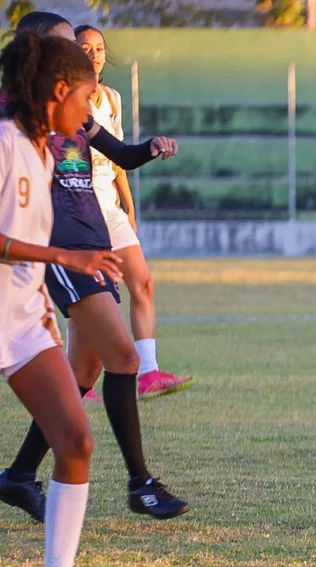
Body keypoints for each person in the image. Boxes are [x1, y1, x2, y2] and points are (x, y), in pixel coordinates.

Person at [0, 11, 189, 523]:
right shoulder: (16, 122)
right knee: (124, 358)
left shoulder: (75, 113)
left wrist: (150, 149)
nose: (82, 59)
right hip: (62, 250)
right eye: (67, 48)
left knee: (84, 372)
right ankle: (140, 483)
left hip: (93, 241)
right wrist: (58, 254)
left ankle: (17, 476)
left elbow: (121, 155)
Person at [0, 30, 120, 567]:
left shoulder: (43, 148)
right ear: (58, 90)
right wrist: (62, 256)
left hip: (21, 317)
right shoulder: (4, 142)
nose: (90, 110)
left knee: (75, 441)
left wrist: (46, 290)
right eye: (85, 97)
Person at [76, 24, 195, 400]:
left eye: (99, 47)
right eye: (83, 47)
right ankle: (78, 381)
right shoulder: (62, 102)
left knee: (141, 283)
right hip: (78, 208)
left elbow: (118, 156)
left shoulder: (110, 99)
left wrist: (127, 204)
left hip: (108, 206)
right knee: (91, 298)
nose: (93, 54)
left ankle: (149, 372)